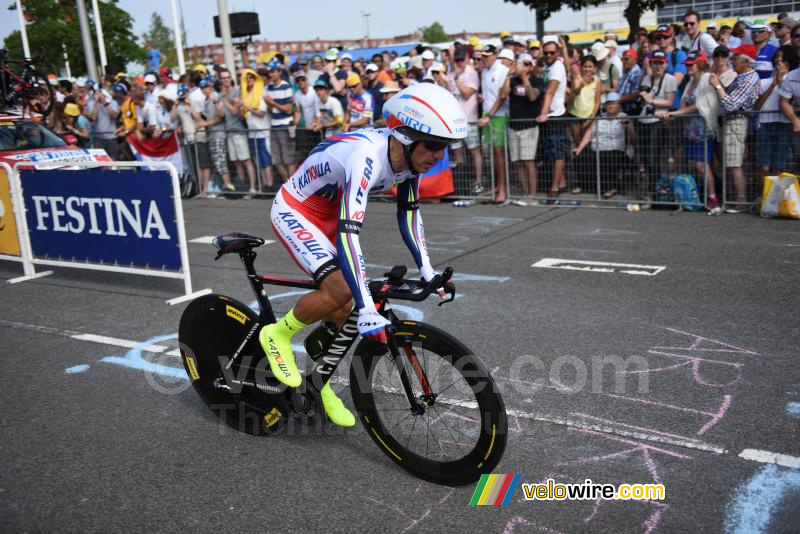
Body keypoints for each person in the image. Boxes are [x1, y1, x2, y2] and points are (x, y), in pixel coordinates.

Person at [259, 83, 465, 426]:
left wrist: (427, 269)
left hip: (328, 214)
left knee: (346, 309)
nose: (438, 156)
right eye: (433, 146)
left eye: (444, 148)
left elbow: (410, 213)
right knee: (343, 291)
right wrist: (368, 308)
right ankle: (278, 333)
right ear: (406, 136)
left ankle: (319, 381)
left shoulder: (409, 162)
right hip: (297, 210)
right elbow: (348, 232)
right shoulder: (366, 156)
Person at [657, 50, 721, 212]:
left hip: (705, 129)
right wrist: (671, 115)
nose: (688, 66)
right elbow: (683, 105)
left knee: (702, 165)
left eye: (691, 64)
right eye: (687, 64)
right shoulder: (690, 81)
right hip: (690, 130)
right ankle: (696, 196)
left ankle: (713, 197)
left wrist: (675, 113)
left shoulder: (707, 78)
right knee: (694, 165)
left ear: (700, 64)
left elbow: (699, 106)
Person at [708, 45, 760, 213]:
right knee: (731, 162)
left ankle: (741, 201)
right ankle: (734, 198)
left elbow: (730, 104)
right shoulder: (741, 77)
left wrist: (717, 86)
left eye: (735, 57)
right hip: (731, 121)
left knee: (735, 163)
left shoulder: (748, 79)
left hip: (737, 120)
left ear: (745, 61)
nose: (732, 61)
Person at [573, 92, 635, 199]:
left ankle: (612, 187)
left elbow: (633, 139)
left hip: (616, 150)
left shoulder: (625, 118)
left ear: (618, 105)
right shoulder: (599, 118)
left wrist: (628, 127)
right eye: (608, 104)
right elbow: (588, 135)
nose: (611, 106)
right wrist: (580, 147)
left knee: (609, 158)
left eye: (614, 103)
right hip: (597, 148)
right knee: (580, 156)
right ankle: (585, 185)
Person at [636, 50, 676, 196]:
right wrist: (643, 96)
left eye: (660, 63)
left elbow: (669, 102)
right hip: (643, 119)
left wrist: (651, 100)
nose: (658, 66)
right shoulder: (647, 77)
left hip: (657, 121)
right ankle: (652, 188)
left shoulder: (670, 79)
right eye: (655, 63)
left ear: (665, 64)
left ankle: (653, 190)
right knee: (645, 157)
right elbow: (642, 98)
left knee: (653, 158)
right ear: (651, 64)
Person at [507, 53, 545, 204]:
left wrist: (524, 79)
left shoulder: (538, 80)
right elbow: (502, 94)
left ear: (530, 66)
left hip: (529, 126)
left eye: (524, 64)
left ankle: (533, 195)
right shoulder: (512, 81)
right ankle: (524, 192)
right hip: (513, 126)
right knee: (517, 162)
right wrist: (507, 76)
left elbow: (532, 96)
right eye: (519, 64)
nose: (520, 67)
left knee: (528, 161)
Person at [755, 46, 798, 177]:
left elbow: (792, 102)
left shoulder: (793, 81)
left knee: (780, 165)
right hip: (766, 124)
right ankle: (764, 195)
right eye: (777, 57)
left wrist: (782, 84)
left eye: (783, 58)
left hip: (785, 124)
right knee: (764, 166)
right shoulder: (763, 82)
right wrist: (773, 85)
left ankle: (778, 196)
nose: (779, 61)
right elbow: (757, 105)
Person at [477, 45, 513, 203]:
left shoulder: (502, 70)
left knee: (499, 153)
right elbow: (490, 95)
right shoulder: (485, 71)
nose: (484, 58)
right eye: (483, 55)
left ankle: (503, 189)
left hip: (498, 116)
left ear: (495, 55)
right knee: (492, 152)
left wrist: (489, 115)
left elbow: (503, 96)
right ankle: (498, 186)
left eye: (487, 55)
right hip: (488, 114)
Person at [445, 47, 483, 195]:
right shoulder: (453, 72)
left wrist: (456, 80)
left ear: (467, 59)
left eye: (462, 59)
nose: (460, 63)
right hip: (455, 120)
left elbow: (467, 93)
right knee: (457, 152)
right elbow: (449, 93)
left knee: (474, 150)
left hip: (469, 119)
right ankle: (460, 183)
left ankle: (478, 182)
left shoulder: (471, 73)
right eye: (457, 60)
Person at [537, 36, 569, 201]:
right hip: (550, 115)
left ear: (557, 53)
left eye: (552, 52)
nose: (548, 55)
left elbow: (550, 91)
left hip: (555, 115)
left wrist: (543, 112)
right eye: (546, 52)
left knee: (557, 153)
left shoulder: (557, 67)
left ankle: (555, 187)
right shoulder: (548, 66)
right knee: (552, 152)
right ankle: (561, 183)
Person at [264, 59, 296, 183]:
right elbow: (269, 109)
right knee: (276, 160)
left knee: (289, 159)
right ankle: (288, 185)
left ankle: (293, 187)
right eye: (270, 72)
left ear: (279, 72)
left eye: (273, 71)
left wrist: (272, 103)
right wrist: (269, 105)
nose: (271, 74)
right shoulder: (268, 88)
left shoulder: (286, 86)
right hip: (274, 125)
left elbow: (288, 110)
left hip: (285, 125)